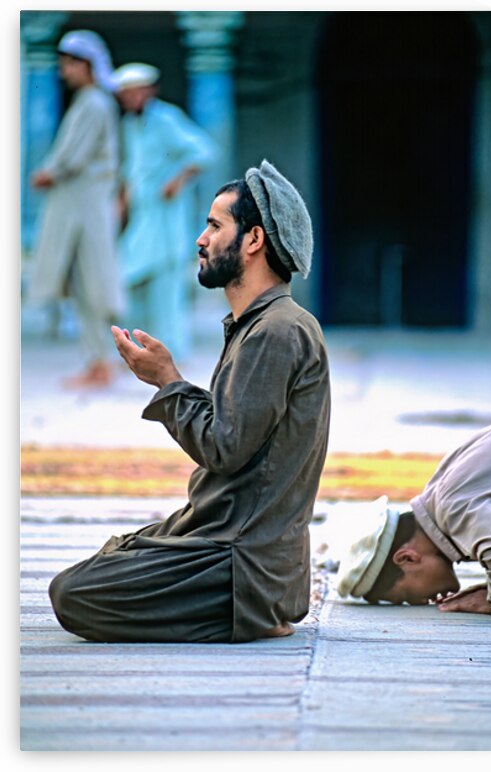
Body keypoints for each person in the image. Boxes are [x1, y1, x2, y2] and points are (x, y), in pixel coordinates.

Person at [48, 159, 331, 643]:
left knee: (73, 593)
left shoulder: (276, 331)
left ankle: (250, 615)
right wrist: (168, 382)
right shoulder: (263, 325)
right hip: (234, 545)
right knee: (115, 557)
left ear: (254, 241)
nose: (201, 240)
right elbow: (239, 434)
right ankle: (252, 607)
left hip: (242, 562)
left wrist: (167, 382)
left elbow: (224, 447)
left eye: (215, 226)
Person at [336, 414, 491, 618]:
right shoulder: (442, 491)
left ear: (407, 557)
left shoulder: (452, 507)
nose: (422, 602)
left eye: (406, 596)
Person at [26, 30, 124, 387]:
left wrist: (49, 173)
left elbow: (74, 157)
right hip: (77, 204)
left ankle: (103, 362)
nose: (64, 72)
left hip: (89, 204)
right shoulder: (87, 102)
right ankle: (96, 360)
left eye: (69, 64)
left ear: (85, 65)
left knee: (96, 281)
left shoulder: (95, 103)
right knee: (83, 283)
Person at [111, 62, 218, 361]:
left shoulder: (167, 118)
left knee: (166, 285)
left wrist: (178, 179)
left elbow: (204, 151)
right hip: (141, 216)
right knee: (131, 277)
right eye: (124, 94)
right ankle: (136, 350)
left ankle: (170, 352)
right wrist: (122, 199)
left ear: (148, 90)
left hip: (165, 215)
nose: (129, 99)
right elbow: (131, 168)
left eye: (133, 92)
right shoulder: (129, 125)